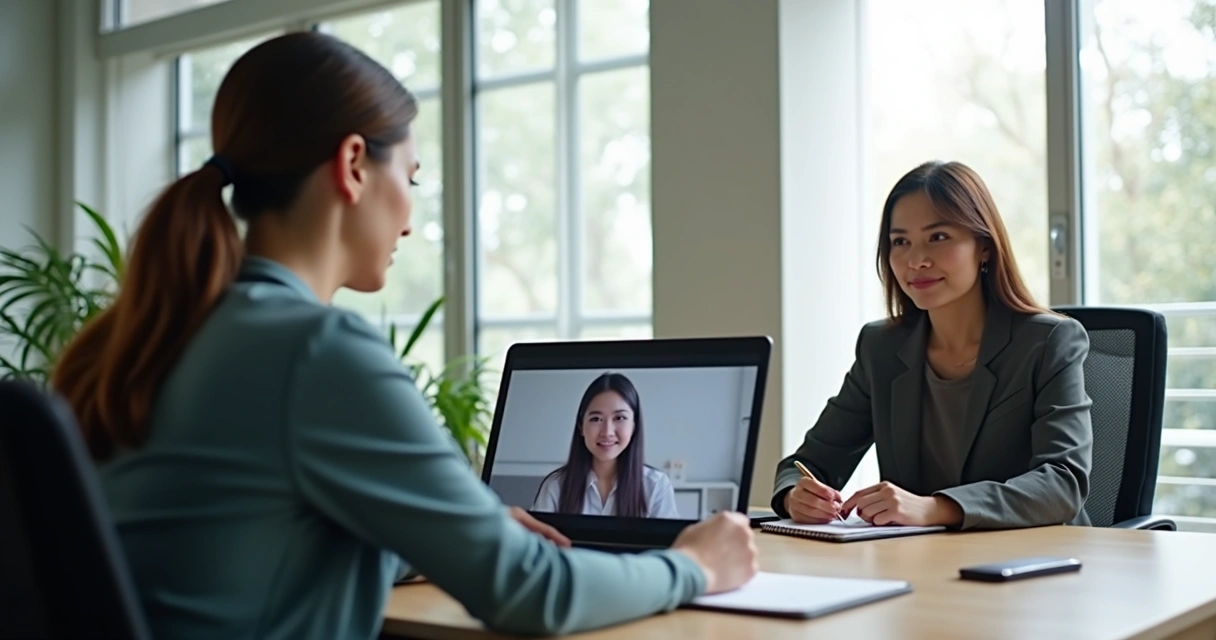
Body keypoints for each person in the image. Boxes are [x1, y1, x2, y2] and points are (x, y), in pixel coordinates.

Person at [51, 31, 756, 640]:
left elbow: (240, 547)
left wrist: (434, 536)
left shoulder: (154, 333)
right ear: (354, 164)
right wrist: (694, 565)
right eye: (411, 178)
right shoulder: (316, 351)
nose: (412, 219)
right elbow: (528, 593)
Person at [772, 160, 1093, 531]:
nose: (916, 260)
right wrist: (795, 495)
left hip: (1034, 565)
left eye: (938, 237)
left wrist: (935, 508)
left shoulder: (1047, 342)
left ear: (984, 247)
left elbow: (1063, 483)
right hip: (924, 563)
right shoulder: (881, 348)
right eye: (900, 242)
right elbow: (811, 462)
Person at [532, 373, 681, 519]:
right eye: (596, 419)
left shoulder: (656, 485)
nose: (607, 432)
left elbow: (668, 544)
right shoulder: (556, 486)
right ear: (581, 426)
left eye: (619, 418)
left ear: (634, 425)